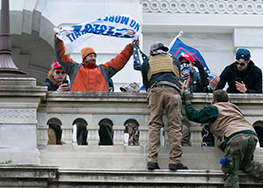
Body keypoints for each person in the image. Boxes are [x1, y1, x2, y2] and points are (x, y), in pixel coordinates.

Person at [184, 89, 263, 188]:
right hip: (251, 135)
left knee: (230, 170)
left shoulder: (214, 108)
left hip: (235, 138)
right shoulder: (234, 108)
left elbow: (193, 116)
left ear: (214, 100)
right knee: (242, 164)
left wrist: (187, 100)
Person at [54, 36, 136, 145]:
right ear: (84, 57)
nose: (93, 58)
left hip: (102, 110)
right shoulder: (74, 68)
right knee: (82, 141)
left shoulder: (104, 70)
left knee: (106, 138)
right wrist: (58, 39)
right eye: (90, 55)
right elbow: (61, 57)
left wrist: (130, 47)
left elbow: (119, 60)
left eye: (94, 56)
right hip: (81, 110)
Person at [141, 42, 186, 171]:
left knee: (155, 124)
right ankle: (174, 161)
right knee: (175, 126)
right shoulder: (173, 59)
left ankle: (152, 160)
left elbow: (146, 82)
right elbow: (178, 77)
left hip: (156, 90)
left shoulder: (147, 62)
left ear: (152, 52)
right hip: (173, 91)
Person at [211, 48, 263, 146]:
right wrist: (213, 88)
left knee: (259, 127)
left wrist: (246, 91)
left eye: (242, 64)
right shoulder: (230, 69)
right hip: (232, 104)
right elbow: (219, 88)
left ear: (248, 61)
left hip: (250, 105)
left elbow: (259, 92)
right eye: (237, 63)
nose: (239, 66)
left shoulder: (256, 71)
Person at [178, 52, 210, 147]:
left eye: (186, 63)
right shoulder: (177, 76)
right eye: (181, 63)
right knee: (181, 137)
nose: (184, 65)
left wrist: (201, 69)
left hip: (194, 112)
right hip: (180, 112)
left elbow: (204, 83)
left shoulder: (196, 75)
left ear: (192, 64)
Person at [43, 62, 70, 144]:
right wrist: (57, 92)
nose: (60, 75)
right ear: (53, 73)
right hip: (50, 124)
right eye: (58, 72)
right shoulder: (47, 86)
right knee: (52, 147)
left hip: (63, 125)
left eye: (63, 72)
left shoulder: (67, 88)